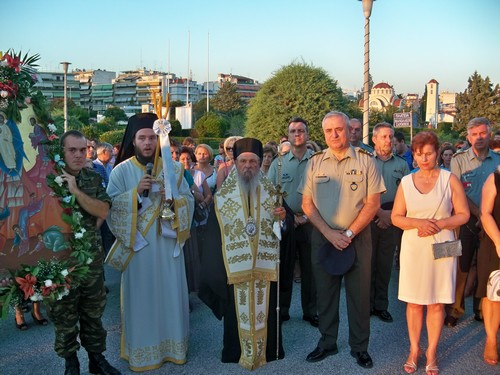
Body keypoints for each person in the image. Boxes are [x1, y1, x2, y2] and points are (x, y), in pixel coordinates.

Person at [106, 113, 194, 372]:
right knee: (142, 298)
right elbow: (110, 207)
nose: (147, 143)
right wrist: (134, 194)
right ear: (133, 141)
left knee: (170, 294)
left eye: (152, 138)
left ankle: (173, 348)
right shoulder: (121, 171)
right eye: (142, 138)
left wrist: (174, 198)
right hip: (139, 247)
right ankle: (143, 350)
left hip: (167, 247)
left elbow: (190, 203)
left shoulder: (175, 170)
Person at [199, 138, 293, 370]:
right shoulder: (222, 198)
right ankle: (235, 351)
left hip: (265, 268)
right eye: (243, 161)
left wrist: (283, 220)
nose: (248, 165)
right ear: (235, 163)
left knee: (268, 310)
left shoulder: (273, 193)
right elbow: (213, 238)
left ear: (260, 163)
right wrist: (217, 270)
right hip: (235, 271)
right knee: (235, 311)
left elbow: (287, 224)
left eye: (253, 161)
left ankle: (270, 351)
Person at [301, 111, 385, 369]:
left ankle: (359, 347)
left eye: (339, 129)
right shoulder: (314, 162)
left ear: (350, 131)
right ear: (323, 133)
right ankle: (327, 342)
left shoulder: (366, 160)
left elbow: (373, 204)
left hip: (357, 238)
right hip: (324, 237)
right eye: (329, 131)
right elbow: (307, 204)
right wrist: (329, 233)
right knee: (325, 294)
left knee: (359, 297)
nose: (334, 135)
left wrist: (348, 234)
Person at [391, 131, 469, 375]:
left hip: (443, 244)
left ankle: (432, 351)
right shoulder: (406, 182)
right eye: (418, 153)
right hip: (414, 246)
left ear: (437, 153)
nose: (423, 158)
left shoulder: (450, 179)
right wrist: (418, 223)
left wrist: (440, 224)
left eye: (428, 153)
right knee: (414, 302)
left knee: (436, 303)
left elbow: (464, 214)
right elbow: (396, 217)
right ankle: (414, 349)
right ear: (413, 155)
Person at [44, 130, 119, 375]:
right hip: (59, 263)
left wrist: (76, 191)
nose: (78, 155)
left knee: (93, 312)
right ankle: (71, 364)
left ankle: (96, 359)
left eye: (82, 149)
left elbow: (103, 212)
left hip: (90, 261)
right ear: (62, 152)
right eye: (72, 150)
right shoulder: (47, 181)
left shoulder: (91, 178)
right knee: (64, 316)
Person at [445, 117, 500, 327]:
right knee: (461, 265)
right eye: (474, 134)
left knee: (487, 266)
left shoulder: (497, 161)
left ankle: (481, 308)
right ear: (468, 137)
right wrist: (479, 215)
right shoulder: (459, 160)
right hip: (466, 221)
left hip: (492, 224)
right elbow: (457, 191)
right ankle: (456, 308)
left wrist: (486, 218)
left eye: (482, 133)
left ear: (489, 135)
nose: (478, 138)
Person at [268, 117, 318, 327]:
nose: (297, 134)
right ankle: (283, 309)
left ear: (307, 135)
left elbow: (325, 193)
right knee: (284, 268)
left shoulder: (318, 161)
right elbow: (269, 193)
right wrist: (285, 216)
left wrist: (305, 217)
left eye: (301, 131)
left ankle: (311, 310)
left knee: (311, 270)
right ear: (287, 136)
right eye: (293, 131)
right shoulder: (277, 164)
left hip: (312, 222)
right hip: (285, 223)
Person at [370, 122, 410, 323]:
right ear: (374, 139)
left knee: (385, 264)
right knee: (368, 264)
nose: (388, 140)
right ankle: (367, 304)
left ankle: (381, 305)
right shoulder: (366, 162)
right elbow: (359, 193)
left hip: (392, 220)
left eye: (391, 136)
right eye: (384, 136)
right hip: (369, 219)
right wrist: (379, 214)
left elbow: (407, 195)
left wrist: (389, 217)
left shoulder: (402, 165)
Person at [477, 167, 500, 366]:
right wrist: (499, 242)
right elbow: (485, 214)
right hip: (495, 243)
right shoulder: (495, 178)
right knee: (494, 296)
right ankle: (491, 339)